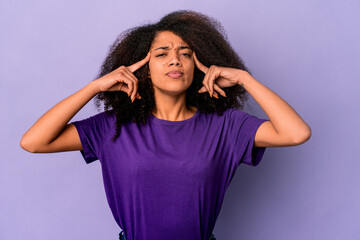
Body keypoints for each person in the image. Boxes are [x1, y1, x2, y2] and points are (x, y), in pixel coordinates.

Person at [20, 10, 311, 240]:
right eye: (162, 54)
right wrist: (95, 87)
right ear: (141, 67)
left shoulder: (227, 126)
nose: (175, 60)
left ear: (201, 64)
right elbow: (33, 142)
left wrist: (245, 79)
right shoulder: (114, 127)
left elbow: (296, 133)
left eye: (185, 53)